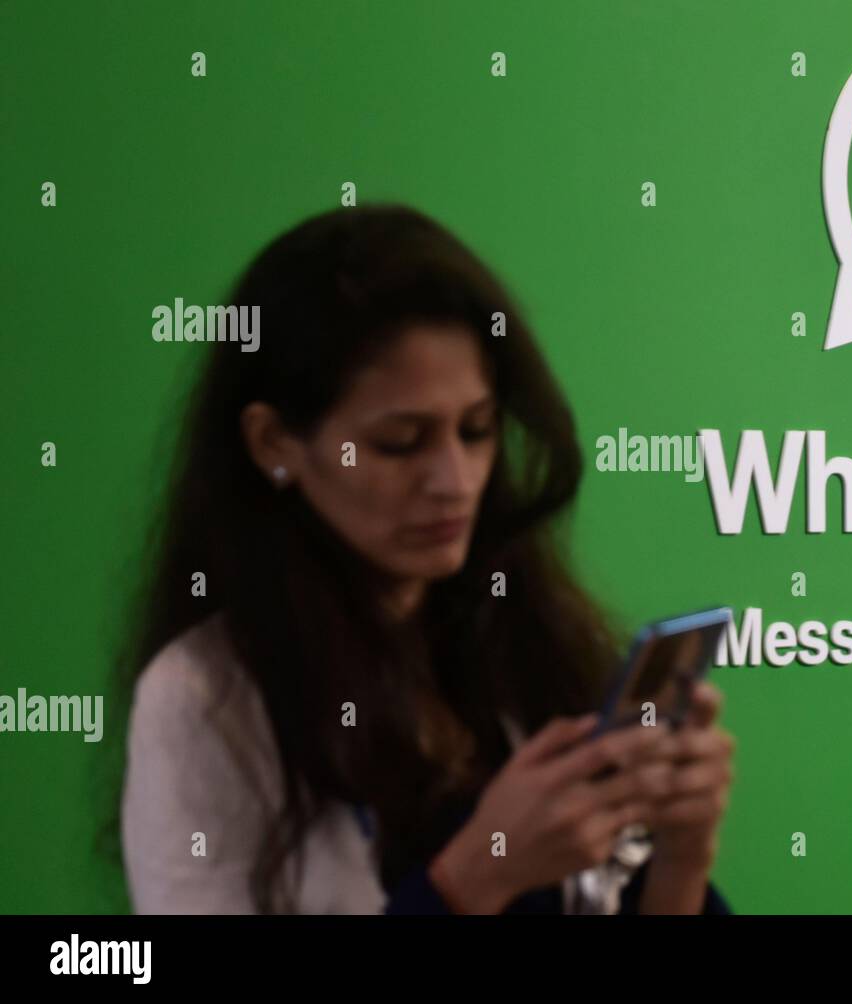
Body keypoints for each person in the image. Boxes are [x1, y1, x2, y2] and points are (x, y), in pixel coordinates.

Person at [116, 205, 736, 914]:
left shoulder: (527, 643)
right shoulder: (203, 701)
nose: (455, 481)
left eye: (476, 431)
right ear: (273, 444)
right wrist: (470, 881)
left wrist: (682, 859)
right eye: (400, 443)